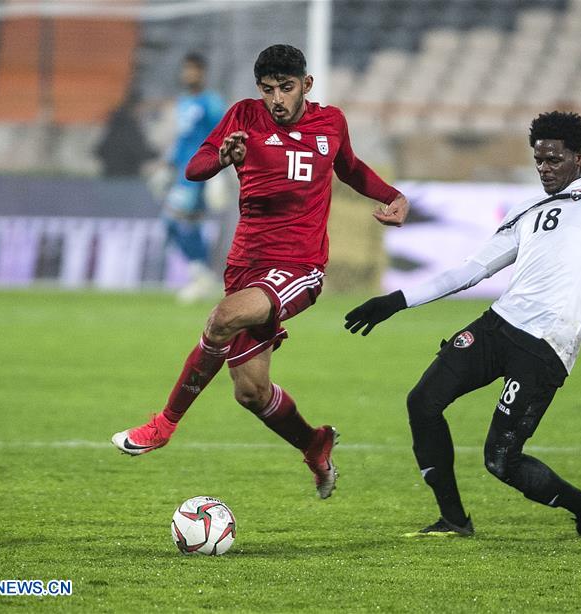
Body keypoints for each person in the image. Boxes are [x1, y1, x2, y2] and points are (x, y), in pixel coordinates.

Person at [344, 111, 581, 536]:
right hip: (499, 326)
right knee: (423, 401)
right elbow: (471, 270)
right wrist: (397, 301)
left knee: (500, 460)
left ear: (579, 158)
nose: (545, 168)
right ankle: (453, 520)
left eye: (554, 159)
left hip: (547, 344)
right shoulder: (527, 207)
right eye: (539, 160)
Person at [112, 44, 410, 500]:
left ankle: (164, 424)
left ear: (305, 86)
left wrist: (393, 196)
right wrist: (222, 158)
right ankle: (314, 443)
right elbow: (194, 168)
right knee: (250, 392)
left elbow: (349, 168)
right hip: (245, 265)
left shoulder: (331, 123)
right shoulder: (244, 116)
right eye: (268, 89)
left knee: (222, 318)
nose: (277, 99)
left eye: (286, 88)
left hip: (299, 266)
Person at [164, 52, 227, 303]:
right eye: (186, 69)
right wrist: (167, 164)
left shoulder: (210, 102)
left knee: (171, 219)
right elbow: (183, 139)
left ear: (202, 72)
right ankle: (202, 276)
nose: (189, 74)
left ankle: (201, 275)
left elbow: (223, 132)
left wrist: (217, 174)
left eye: (194, 69)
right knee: (189, 223)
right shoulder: (183, 102)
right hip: (181, 171)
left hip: (199, 172)